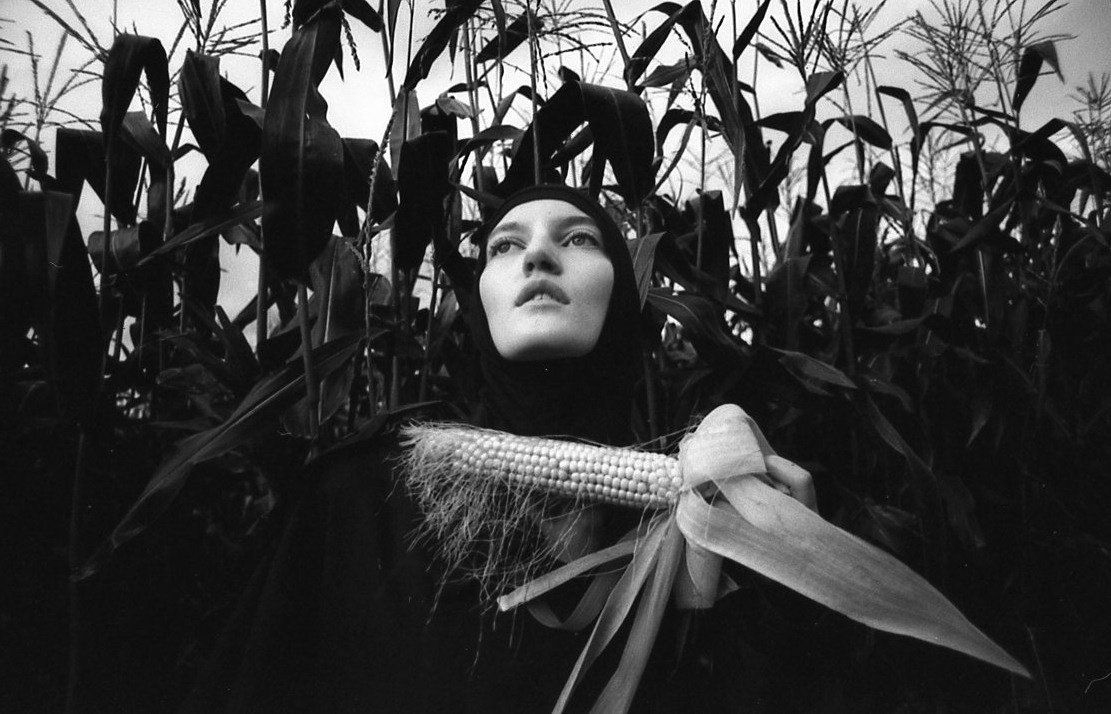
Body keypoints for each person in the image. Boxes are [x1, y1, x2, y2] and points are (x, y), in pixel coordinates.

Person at [183, 183, 816, 713]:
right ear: (479, 302)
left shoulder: (707, 521)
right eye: (504, 246)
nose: (537, 255)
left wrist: (799, 586)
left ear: (623, 295)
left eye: (579, 239)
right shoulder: (356, 499)